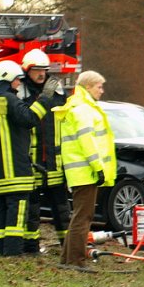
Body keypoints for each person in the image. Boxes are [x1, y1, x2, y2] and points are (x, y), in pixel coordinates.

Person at [0, 60, 56, 256]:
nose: (19, 84)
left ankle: (0, 249)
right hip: (16, 169)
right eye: (17, 80)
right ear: (7, 80)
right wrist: (45, 99)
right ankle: (13, 252)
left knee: (0, 208)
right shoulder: (9, 100)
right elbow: (29, 119)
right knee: (18, 208)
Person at [54, 71, 116, 268]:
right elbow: (87, 142)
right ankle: (75, 260)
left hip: (80, 172)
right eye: (99, 86)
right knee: (83, 217)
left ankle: (67, 258)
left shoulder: (79, 107)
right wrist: (98, 168)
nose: (102, 91)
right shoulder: (83, 109)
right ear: (88, 87)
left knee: (80, 216)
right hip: (86, 172)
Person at [18, 49, 71, 251]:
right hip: (31, 161)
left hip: (55, 161)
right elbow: (24, 118)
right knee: (31, 209)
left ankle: (67, 246)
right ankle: (31, 247)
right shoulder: (20, 91)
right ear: (27, 70)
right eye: (37, 70)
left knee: (61, 208)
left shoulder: (56, 89)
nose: (41, 74)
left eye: (44, 70)